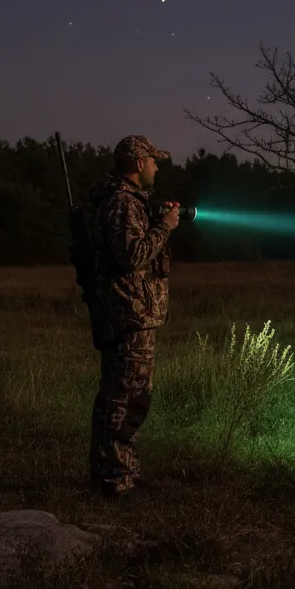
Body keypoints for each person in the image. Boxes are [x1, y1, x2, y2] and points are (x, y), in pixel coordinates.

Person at [88, 135, 180, 498]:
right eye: (154, 161)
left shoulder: (128, 203)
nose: (157, 167)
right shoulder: (122, 203)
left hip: (133, 314)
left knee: (128, 396)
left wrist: (156, 220)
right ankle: (115, 481)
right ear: (139, 163)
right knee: (124, 398)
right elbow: (132, 255)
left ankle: (119, 473)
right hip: (130, 314)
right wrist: (165, 227)